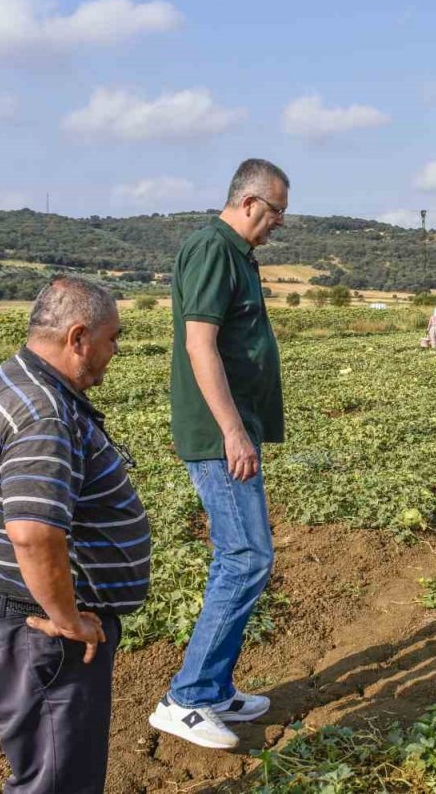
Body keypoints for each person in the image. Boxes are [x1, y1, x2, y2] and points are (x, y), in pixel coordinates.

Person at [0, 276, 148, 793]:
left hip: (16, 622)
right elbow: (33, 534)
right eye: (112, 338)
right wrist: (68, 620)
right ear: (78, 337)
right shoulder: (43, 413)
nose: (115, 351)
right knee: (59, 783)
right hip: (42, 635)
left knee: (48, 774)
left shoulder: (11, 378)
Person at [150, 159, 287, 750]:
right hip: (218, 435)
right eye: (277, 211)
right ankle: (187, 698)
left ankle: (215, 687)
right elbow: (199, 344)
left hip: (233, 429)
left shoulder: (237, 255)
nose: (279, 222)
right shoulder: (213, 249)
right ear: (250, 202)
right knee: (247, 556)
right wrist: (231, 430)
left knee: (240, 555)